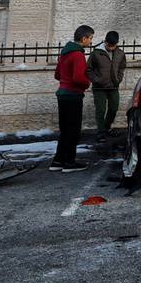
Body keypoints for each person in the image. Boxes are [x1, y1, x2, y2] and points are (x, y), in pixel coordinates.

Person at [51, 25, 95, 172]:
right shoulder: (78, 54)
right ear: (83, 38)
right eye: (90, 38)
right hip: (73, 95)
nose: (90, 41)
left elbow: (57, 74)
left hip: (62, 94)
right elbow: (78, 78)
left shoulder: (64, 53)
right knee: (73, 130)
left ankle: (58, 160)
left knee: (65, 129)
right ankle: (69, 162)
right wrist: (87, 83)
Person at [87, 30, 127, 138]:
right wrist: (96, 80)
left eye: (113, 45)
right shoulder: (96, 53)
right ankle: (101, 132)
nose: (111, 47)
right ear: (105, 41)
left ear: (117, 43)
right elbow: (88, 69)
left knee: (114, 108)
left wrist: (119, 78)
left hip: (114, 86)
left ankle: (107, 127)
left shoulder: (120, 53)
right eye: (109, 44)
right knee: (101, 109)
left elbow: (122, 67)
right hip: (99, 87)